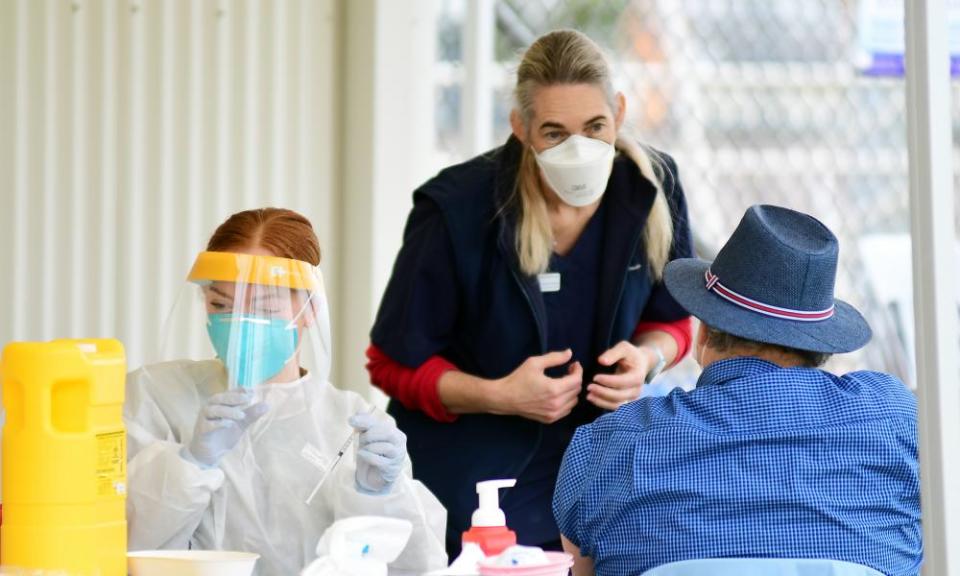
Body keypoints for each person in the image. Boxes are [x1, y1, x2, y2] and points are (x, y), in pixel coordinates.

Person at [367, 29, 694, 554]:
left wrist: (647, 360)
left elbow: (674, 321)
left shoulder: (653, 186)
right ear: (520, 127)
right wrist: (499, 396)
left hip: (600, 466)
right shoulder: (457, 210)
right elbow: (390, 363)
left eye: (595, 127)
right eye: (554, 133)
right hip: (476, 477)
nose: (579, 149)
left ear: (621, 112)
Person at [553, 205, 922, 576]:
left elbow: (581, 568)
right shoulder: (896, 417)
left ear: (703, 334)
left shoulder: (609, 446)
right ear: (820, 344)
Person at [125, 208, 447, 575]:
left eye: (262, 306)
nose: (238, 324)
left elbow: (417, 567)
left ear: (309, 309)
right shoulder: (155, 396)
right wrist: (189, 465)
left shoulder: (349, 425)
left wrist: (379, 498)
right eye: (220, 305)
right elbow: (121, 545)